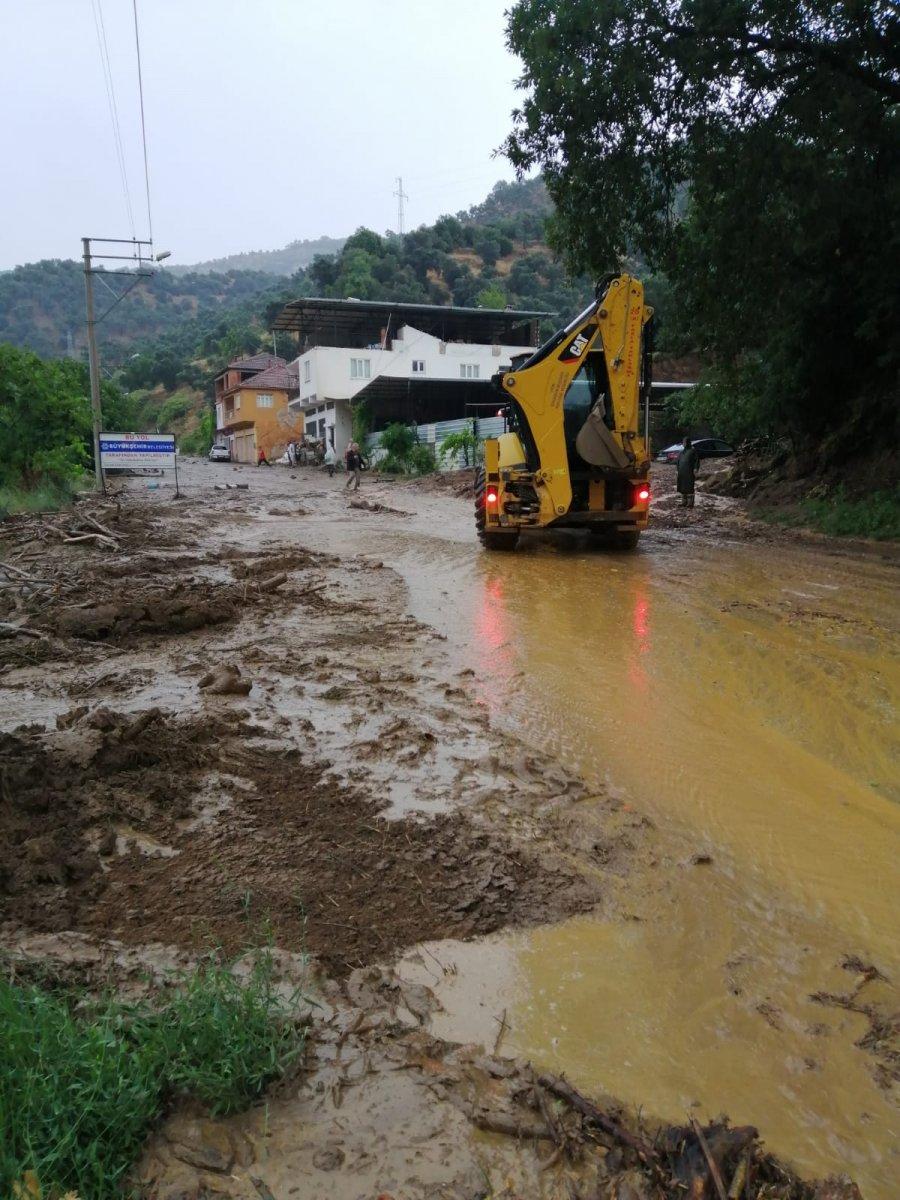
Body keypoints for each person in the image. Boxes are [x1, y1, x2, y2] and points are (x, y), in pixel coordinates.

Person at [676, 436, 700, 507]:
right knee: (682, 487)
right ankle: (684, 502)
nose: (683, 443)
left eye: (684, 442)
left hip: (689, 472)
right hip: (681, 472)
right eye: (683, 442)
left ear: (688, 442)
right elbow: (678, 461)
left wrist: (696, 468)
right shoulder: (681, 452)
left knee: (689, 486)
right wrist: (677, 470)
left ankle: (690, 503)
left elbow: (696, 461)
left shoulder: (693, 451)